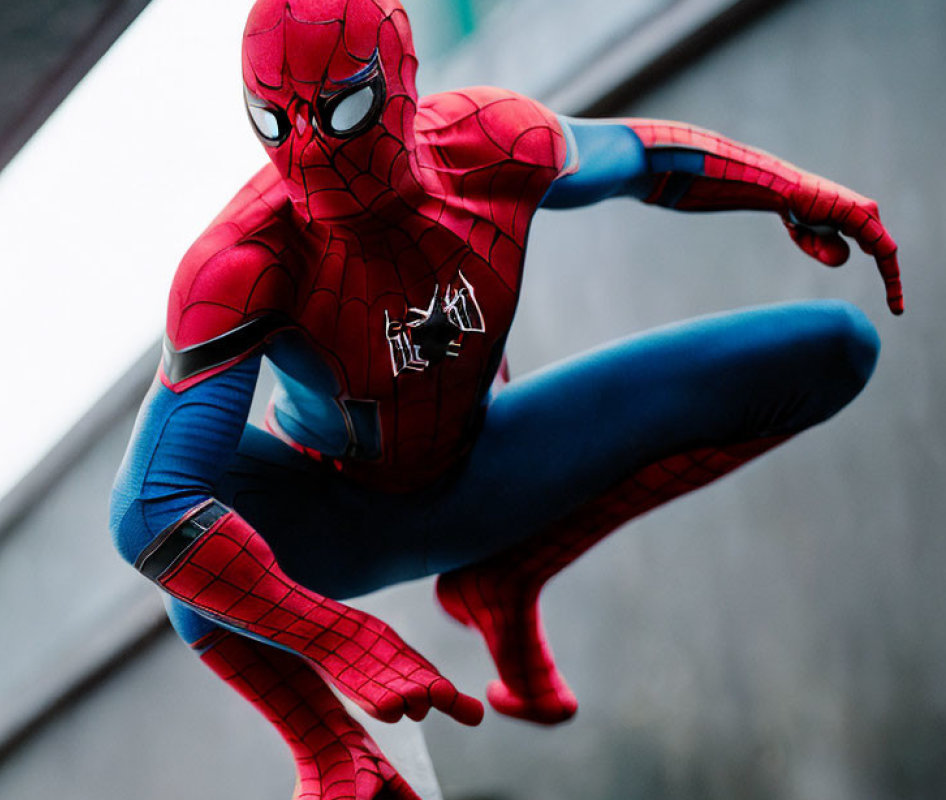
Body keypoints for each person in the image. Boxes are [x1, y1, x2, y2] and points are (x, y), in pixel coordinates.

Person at [109, 0, 902, 796]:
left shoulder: (488, 143)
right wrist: (335, 638)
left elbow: (644, 156)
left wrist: (796, 190)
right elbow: (145, 509)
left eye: (342, 109)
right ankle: (328, 748)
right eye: (275, 121)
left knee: (834, 348)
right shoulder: (239, 263)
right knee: (184, 534)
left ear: (402, 83)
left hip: (489, 471)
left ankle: (509, 573)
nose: (310, 151)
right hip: (334, 523)